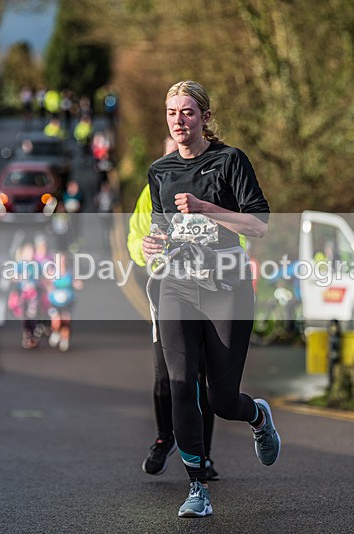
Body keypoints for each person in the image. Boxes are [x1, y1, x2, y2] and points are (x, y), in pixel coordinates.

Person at [143, 80, 279, 518]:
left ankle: (256, 416)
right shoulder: (160, 171)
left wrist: (207, 208)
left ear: (203, 116)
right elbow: (163, 230)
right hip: (177, 286)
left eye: (186, 112)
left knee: (221, 400)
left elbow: (259, 225)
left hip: (226, 287)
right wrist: (153, 244)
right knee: (182, 385)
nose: (178, 121)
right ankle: (197, 487)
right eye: (171, 113)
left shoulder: (229, 160)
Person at [128, 136, 220, 482]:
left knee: (201, 379)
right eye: (169, 152)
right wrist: (148, 251)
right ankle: (165, 437)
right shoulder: (152, 187)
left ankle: (204, 456)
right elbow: (135, 238)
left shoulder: (210, 186)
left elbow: (234, 235)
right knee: (167, 375)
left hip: (209, 293)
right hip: (167, 290)